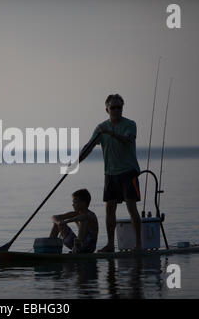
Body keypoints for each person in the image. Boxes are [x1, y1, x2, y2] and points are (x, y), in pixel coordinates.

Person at [79, 94, 142, 252]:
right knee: (109, 209)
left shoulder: (130, 124)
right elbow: (90, 145)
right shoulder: (101, 128)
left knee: (131, 207)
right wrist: (78, 159)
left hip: (129, 171)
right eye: (113, 107)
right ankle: (110, 244)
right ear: (107, 109)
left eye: (119, 107)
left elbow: (128, 140)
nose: (116, 110)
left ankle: (139, 245)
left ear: (122, 108)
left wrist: (110, 133)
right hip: (110, 173)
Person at [49, 189, 99, 253]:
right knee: (58, 223)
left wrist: (66, 221)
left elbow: (83, 217)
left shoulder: (91, 215)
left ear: (83, 203)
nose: (73, 205)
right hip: (76, 243)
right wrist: (58, 222)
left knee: (84, 221)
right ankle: (49, 247)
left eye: (75, 202)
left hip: (89, 246)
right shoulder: (75, 213)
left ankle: (77, 248)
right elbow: (54, 217)